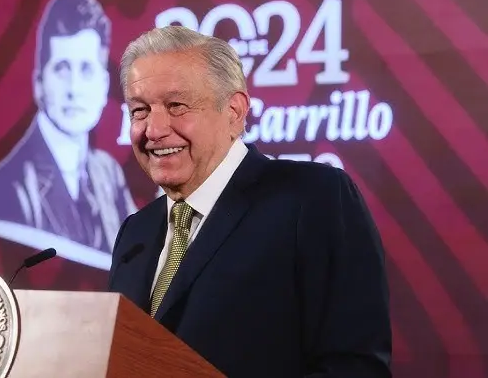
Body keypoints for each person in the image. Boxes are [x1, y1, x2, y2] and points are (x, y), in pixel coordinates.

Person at [107, 25, 391, 377]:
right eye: (140, 111)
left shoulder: (313, 199)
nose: (154, 128)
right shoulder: (136, 232)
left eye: (176, 105)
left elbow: (354, 367)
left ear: (235, 111)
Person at [0, 0, 137, 258]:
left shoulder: (108, 174)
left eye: (86, 70)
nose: (73, 89)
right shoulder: (7, 188)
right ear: (39, 84)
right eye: (61, 69)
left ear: (104, 84)